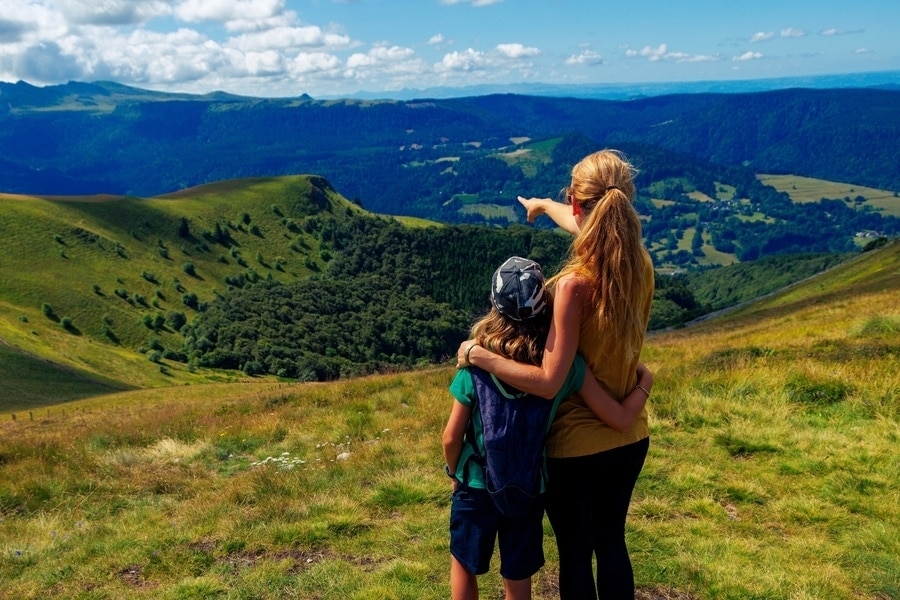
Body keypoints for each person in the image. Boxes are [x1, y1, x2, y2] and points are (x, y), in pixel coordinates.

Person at [457, 149, 655, 599]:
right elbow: (590, 224)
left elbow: (549, 381)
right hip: (629, 436)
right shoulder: (639, 264)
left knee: (575, 556)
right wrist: (544, 206)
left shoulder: (572, 286)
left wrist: (479, 355)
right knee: (612, 544)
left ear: (580, 202)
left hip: (575, 447)